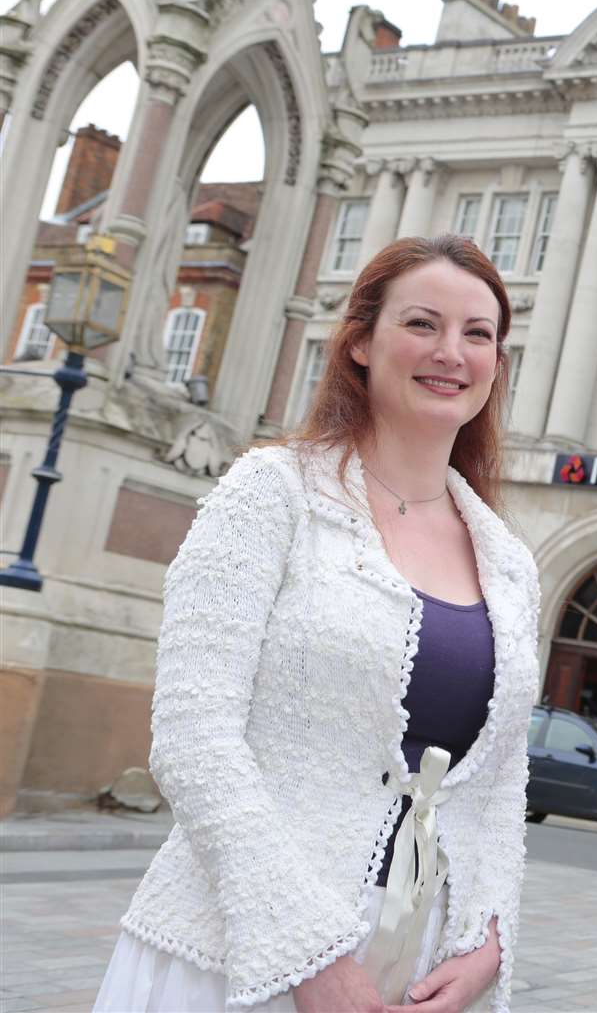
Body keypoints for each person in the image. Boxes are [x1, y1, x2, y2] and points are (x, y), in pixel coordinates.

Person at [95, 235, 540, 1013]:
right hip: (238, 953)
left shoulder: (507, 559)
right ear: (362, 341)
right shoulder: (271, 494)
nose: (451, 353)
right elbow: (194, 738)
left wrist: (488, 939)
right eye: (422, 324)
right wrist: (309, 954)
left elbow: (499, 786)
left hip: (412, 963)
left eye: (478, 334)